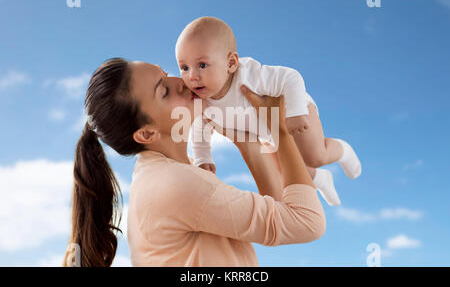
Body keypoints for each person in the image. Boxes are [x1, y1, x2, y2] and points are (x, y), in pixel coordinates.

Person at [63, 57, 326, 267]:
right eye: (164, 91)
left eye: (165, 73)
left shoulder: (166, 174)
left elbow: (281, 214)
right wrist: (280, 128)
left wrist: (244, 139)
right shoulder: (176, 184)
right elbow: (306, 223)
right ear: (146, 133)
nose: (181, 81)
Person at [176, 16, 363, 206]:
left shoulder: (249, 76)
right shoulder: (201, 100)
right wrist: (202, 157)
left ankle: (343, 150)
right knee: (286, 170)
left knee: (313, 156)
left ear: (231, 63)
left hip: (294, 110)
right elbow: (200, 125)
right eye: (184, 67)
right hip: (267, 132)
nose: (192, 76)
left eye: (202, 65)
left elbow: (290, 77)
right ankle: (321, 179)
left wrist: (296, 111)